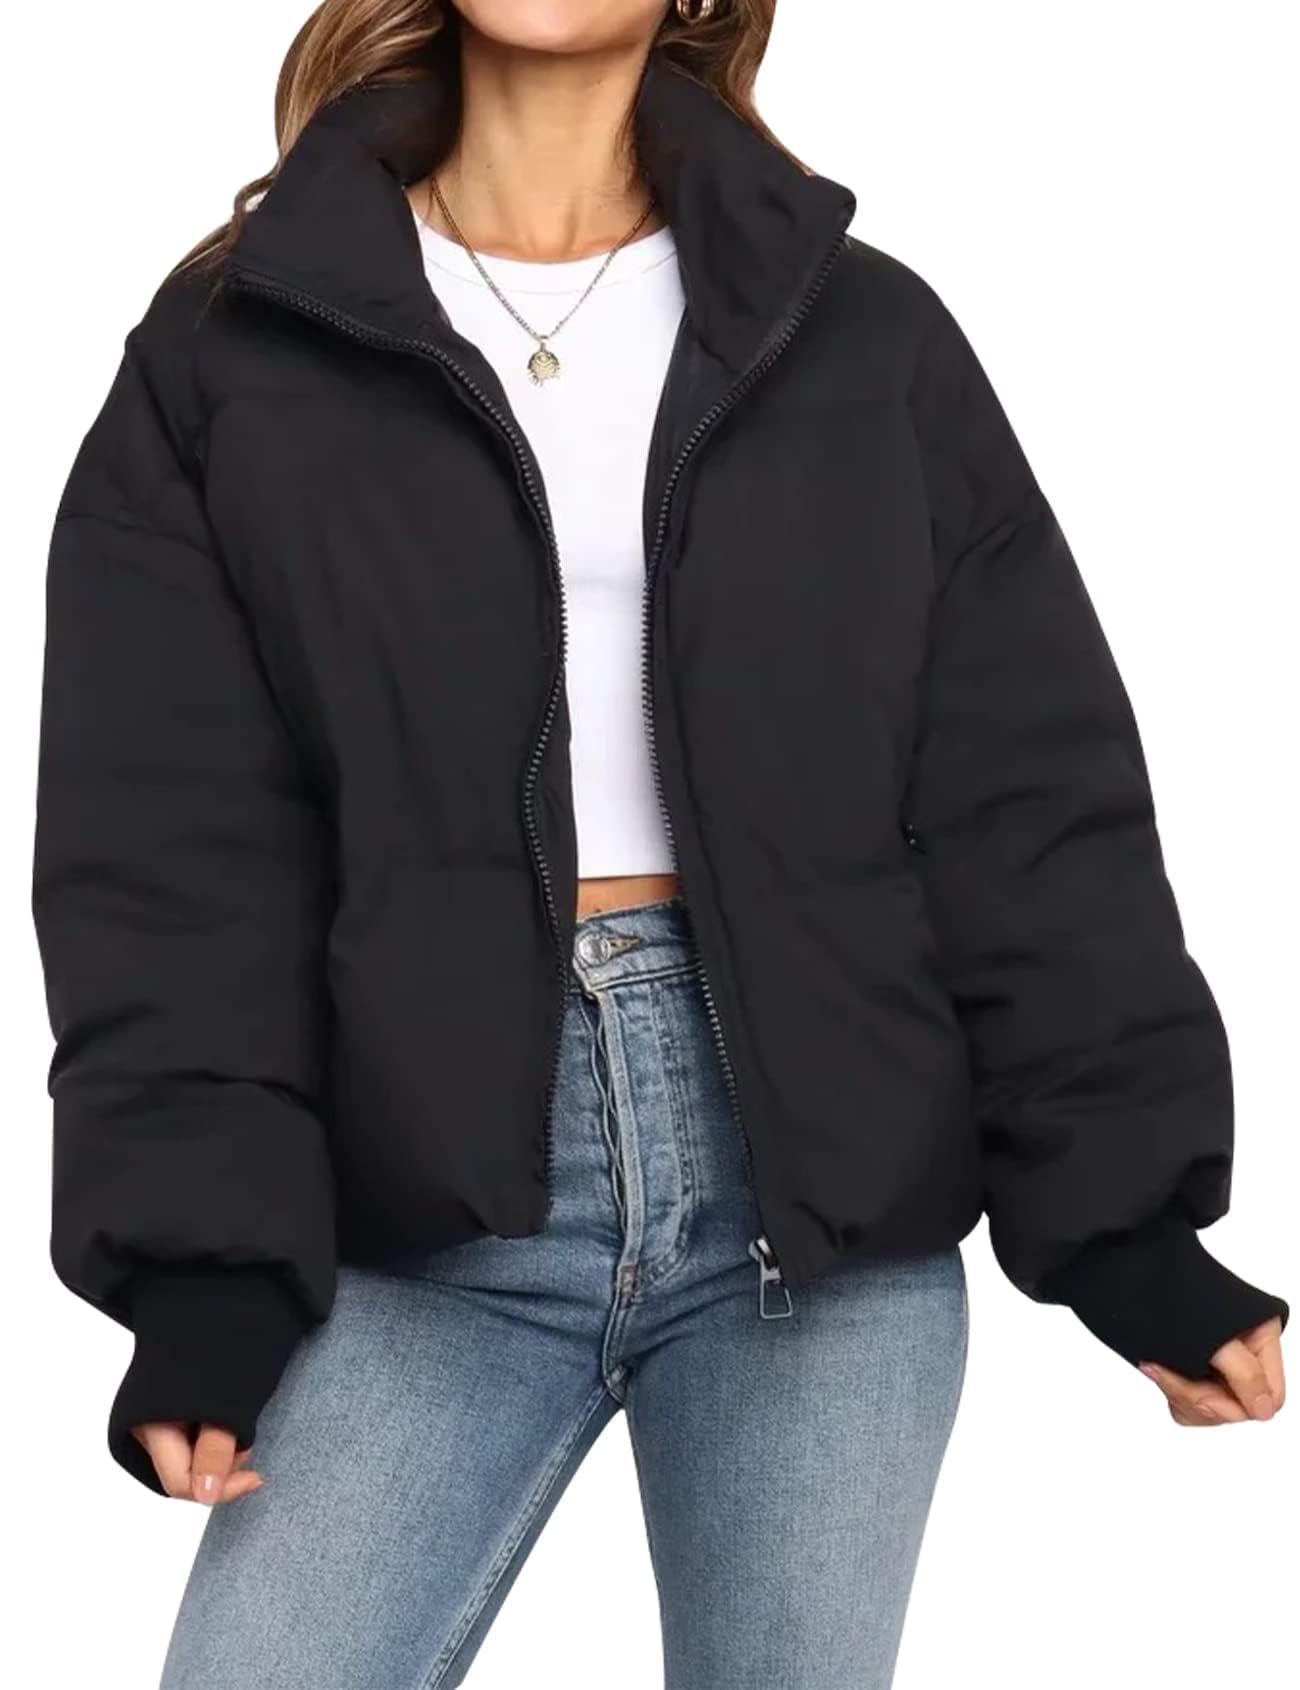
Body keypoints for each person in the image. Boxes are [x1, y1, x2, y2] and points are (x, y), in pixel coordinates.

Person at [33, 2, 1289, 1686]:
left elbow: (1027, 799)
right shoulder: (234, 347)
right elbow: (171, 847)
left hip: (819, 1207)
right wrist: (204, 1261)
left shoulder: (860, 335)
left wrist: (1124, 1222)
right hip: (422, 1196)